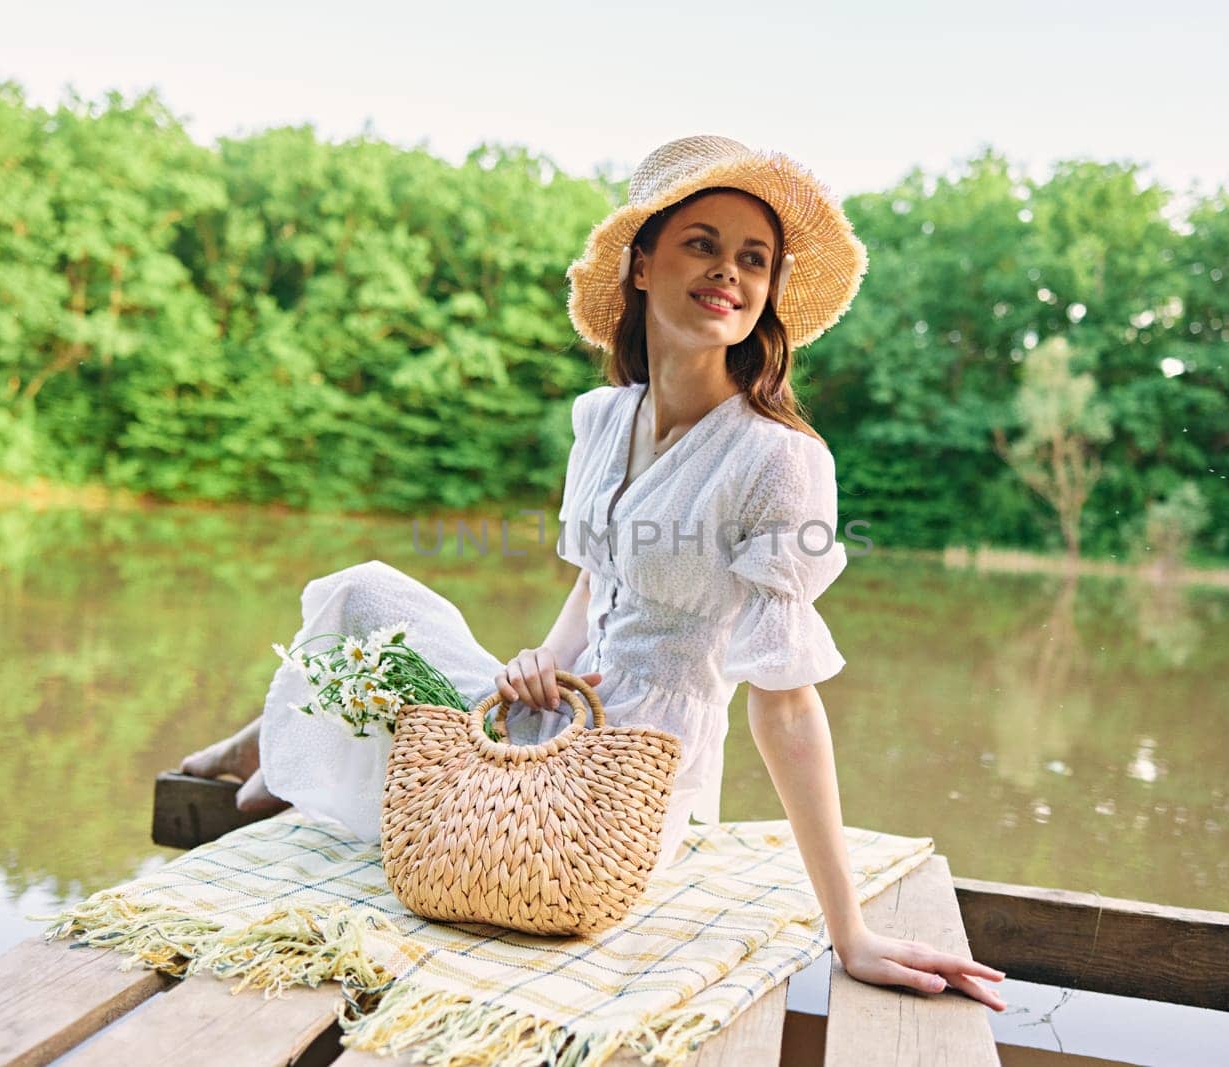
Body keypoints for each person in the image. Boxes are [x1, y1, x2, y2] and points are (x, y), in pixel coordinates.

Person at [180, 135, 1007, 1010]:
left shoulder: (781, 462)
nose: (729, 271)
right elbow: (593, 584)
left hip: (629, 773)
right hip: (552, 705)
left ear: (766, 294)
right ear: (642, 265)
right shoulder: (602, 417)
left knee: (467, 792)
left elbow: (787, 700)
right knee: (365, 591)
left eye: (753, 259)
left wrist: (853, 932)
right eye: (703, 243)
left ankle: (294, 747)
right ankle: (278, 739)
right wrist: (540, 663)